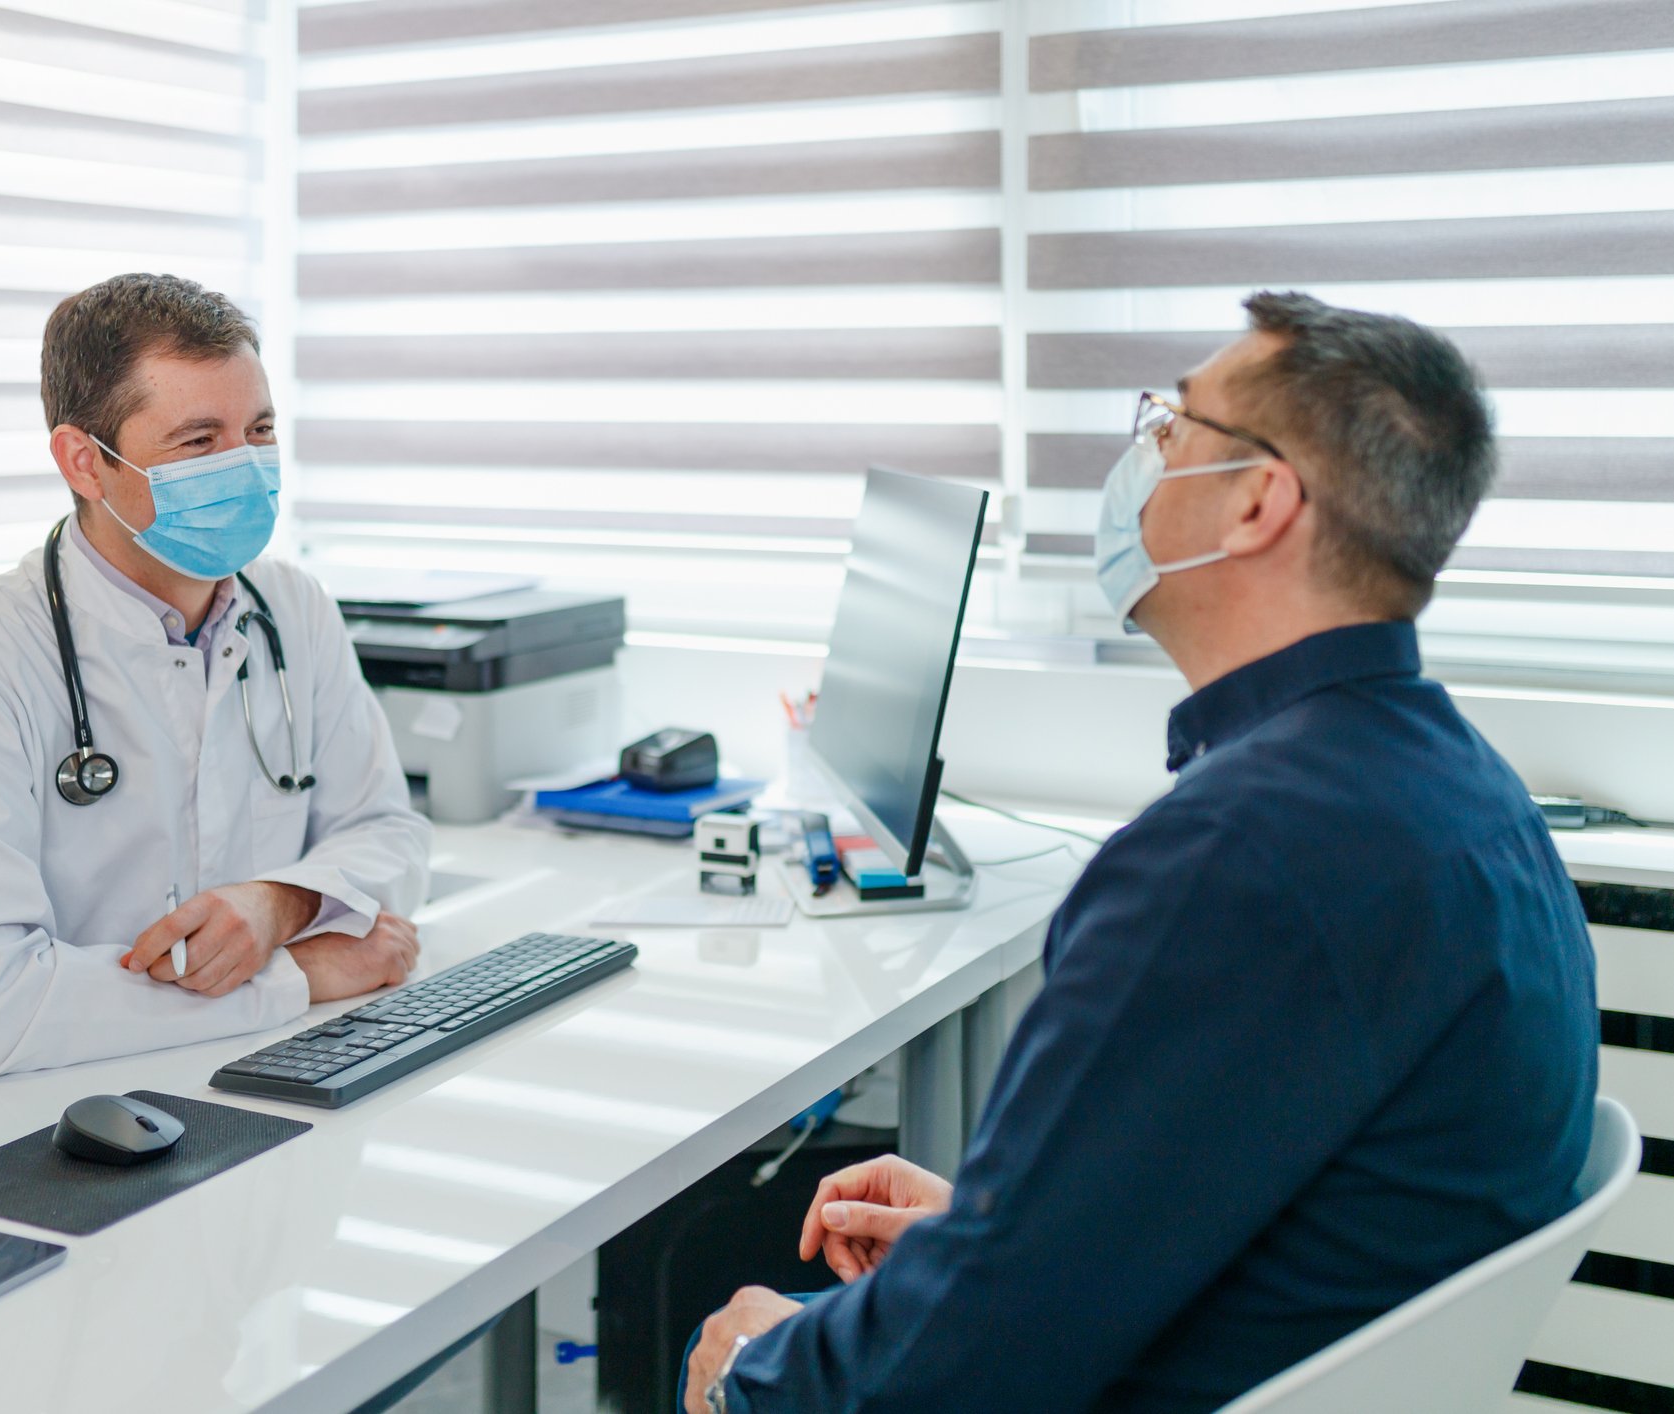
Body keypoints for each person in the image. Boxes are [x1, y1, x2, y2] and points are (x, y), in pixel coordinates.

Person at [683, 291, 1599, 1413]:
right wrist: (1005, 1226)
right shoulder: (1465, 794)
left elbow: (963, 1374)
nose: (1143, 453)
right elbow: (1298, 1205)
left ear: (1261, 500)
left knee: (720, 1326)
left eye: (1172, 427)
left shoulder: (1232, 857)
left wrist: (754, 1370)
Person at [0, 274, 430, 1122]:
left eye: (258, 431)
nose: (243, 468)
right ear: (84, 461)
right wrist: (295, 972)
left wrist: (279, 903)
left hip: (204, 1089)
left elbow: (386, 831)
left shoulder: (292, 609)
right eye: (197, 441)